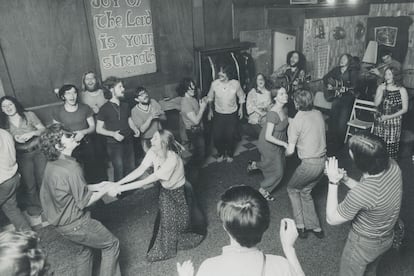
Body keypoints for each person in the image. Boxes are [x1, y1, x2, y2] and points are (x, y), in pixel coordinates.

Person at [107, 129, 204, 262]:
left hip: (182, 192)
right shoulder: (153, 152)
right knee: (167, 222)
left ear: (163, 143)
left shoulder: (172, 160)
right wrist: (117, 183)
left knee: (184, 223)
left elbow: (146, 180)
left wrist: (120, 188)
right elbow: (140, 170)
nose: (151, 140)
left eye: (155, 139)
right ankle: (166, 250)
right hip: (166, 192)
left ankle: (182, 236)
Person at [39, 123, 120, 276]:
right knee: (111, 245)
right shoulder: (72, 168)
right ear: (59, 146)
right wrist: (105, 190)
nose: (73, 135)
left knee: (84, 252)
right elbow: (84, 202)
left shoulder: (52, 164)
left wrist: (97, 185)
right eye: (68, 136)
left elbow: (68, 190)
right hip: (77, 224)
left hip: (62, 226)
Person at [176, 185, 305, 276]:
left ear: (225, 227)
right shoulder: (280, 265)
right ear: (265, 225)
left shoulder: (208, 268)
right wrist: (289, 249)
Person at [325, 133, 402, 276]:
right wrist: (346, 180)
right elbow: (372, 197)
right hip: (386, 237)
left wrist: (333, 182)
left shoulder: (360, 194)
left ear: (359, 162)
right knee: (370, 271)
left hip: (363, 244)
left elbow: (332, 218)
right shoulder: (393, 165)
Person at [286, 90, 326, 239]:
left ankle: (300, 226)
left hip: (309, 164)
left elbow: (290, 151)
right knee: (306, 191)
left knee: (292, 189)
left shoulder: (297, 120)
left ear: (296, 103)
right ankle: (316, 227)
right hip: (323, 163)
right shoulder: (318, 114)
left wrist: (281, 153)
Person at [0, 96, 46, 217]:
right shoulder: (3, 123)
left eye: (10, 104)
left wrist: (33, 133)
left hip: (38, 152)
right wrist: (13, 138)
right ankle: (35, 206)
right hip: (21, 156)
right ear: (2, 110)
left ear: (15, 104)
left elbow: (43, 129)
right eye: (4, 106)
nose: (8, 108)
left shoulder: (29, 115)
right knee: (29, 183)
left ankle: (48, 204)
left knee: (43, 179)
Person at [53, 84, 107, 183]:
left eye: (74, 92)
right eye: (68, 93)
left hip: (86, 143)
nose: (72, 96)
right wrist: (69, 137)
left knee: (92, 170)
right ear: (63, 96)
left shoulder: (85, 108)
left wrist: (83, 132)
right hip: (69, 146)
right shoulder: (58, 111)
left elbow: (92, 127)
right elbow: (56, 130)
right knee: (75, 172)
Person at [247, 87, 289, 201]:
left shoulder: (284, 109)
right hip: (268, 144)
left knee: (271, 164)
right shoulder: (272, 114)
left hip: (279, 142)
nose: (285, 95)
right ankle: (262, 190)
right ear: (275, 98)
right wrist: (284, 144)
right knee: (279, 172)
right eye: (281, 94)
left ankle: (254, 165)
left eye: (285, 93)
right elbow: (268, 136)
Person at [97, 76, 135, 182]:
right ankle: (120, 192)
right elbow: (98, 129)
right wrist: (113, 134)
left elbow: (129, 120)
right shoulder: (104, 109)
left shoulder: (126, 105)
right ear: (111, 89)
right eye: (120, 87)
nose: (123, 89)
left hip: (128, 140)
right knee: (119, 168)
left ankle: (131, 189)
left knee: (131, 166)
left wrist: (134, 128)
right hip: (114, 144)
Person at [207, 64, 245, 163]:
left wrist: (241, 109)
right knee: (217, 136)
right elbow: (210, 97)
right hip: (219, 114)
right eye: (219, 72)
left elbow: (241, 96)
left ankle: (229, 154)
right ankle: (220, 153)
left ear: (228, 74)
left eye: (223, 72)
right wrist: (210, 110)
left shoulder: (235, 84)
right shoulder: (214, 84)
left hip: (232, 113)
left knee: (230, 135)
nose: (220, 74)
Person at [323, 53, 359, 152]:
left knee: (342, 122)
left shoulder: (353, 71)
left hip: (347, 98)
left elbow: (354, 86)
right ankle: (331, 141)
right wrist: (329, 85)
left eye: (344, 59)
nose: (342, 60)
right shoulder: (336, 70)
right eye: (341, 58)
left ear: (349, 61)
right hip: (337, 97)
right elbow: (325, 78)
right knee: (332, 119)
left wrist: (346, 89)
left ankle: (339, 144)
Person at [373, 67, 408, 160]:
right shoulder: (381, 87)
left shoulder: (402, 90)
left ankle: (390, 170)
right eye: (385, 74)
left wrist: (388, 117)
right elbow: (376, 104)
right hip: (380, 121)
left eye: (389, 74)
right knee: (378, 146)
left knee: (390, 149)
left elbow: (405, 109)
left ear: (395, 76)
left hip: (394, 122)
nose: (386, 77)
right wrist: (380, 90)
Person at [0, 128, 31, 231]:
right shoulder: (4, 132)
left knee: (11, 209)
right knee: (11, 209)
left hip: (2, 182)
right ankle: (29, 236)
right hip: (13, 177)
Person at [177, 78, 208, 166]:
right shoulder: (186, 103)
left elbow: (198, 114)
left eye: (193, 87)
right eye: (190, 88)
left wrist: (203, 105)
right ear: (184, 89)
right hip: (194, 131)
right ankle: (191, 171)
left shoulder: (192, 98)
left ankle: (193, 169)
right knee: (199, 153)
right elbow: (196, 121)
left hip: (198, 129)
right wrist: (202, 108)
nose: (193, 89)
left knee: (199, 152)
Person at [129, 86, 165, 153]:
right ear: (137, 99)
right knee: (153, 161)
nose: (145, 95)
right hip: (147, 140)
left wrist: (158, 115)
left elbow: (164, 118)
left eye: (145, 93)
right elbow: (142, 129)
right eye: (141, 95)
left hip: (160, 136)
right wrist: (151, 117)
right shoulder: (134, 111)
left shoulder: (153, 102)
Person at [271, 51, 307, 117]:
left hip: (293, 98)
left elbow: (301, 86)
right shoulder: (285, 67)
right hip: (282, 95)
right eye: (291, 57)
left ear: (299, 60)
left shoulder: (301, 72)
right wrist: (280, 82)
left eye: (295, 57)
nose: (292, 59)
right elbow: (273, 76)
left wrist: (297, 85)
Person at [245, 73, 272, 139]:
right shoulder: (252, 92)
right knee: (263, 135)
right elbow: (251, 106)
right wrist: (261, 114)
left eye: (262, 79)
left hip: (265, 115)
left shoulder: (268, 92)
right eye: (258, 79)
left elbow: (269, 105)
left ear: (264, 81)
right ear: (256, 82)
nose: (261, 81)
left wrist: (267, 113)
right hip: (256, 115)